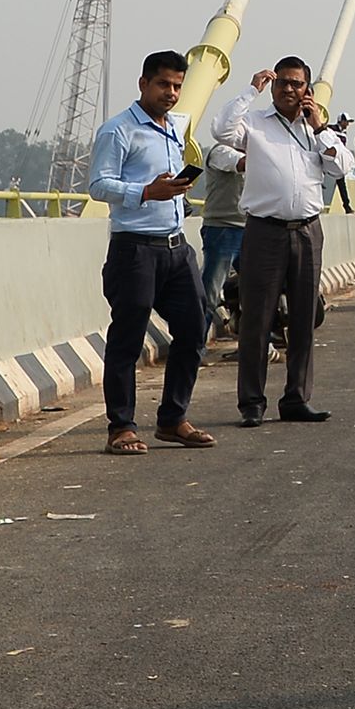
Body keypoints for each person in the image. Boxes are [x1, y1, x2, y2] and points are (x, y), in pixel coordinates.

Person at [85, 51, 216, 456]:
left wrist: (174, 189)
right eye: (163, 85)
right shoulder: (118, 131)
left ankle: (173, 419)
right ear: (143, 83)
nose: (172, 93)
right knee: (127, 338)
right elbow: (99, 185)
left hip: (177, 248)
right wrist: (145, 192)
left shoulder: (175, 127)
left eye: (178, 86)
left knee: (195, 329)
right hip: (135, 250)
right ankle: (121, 427)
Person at [207, 55, 346, 425]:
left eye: (296, 84)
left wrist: (320, 127)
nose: (288, 89)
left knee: (304, 318)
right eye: (282, 82)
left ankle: (297, 399)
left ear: (308, 91)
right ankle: (251, 403)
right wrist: (249, 90)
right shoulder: (254, 124)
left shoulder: (315, 132)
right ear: (273, 86)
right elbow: (221, 131)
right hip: (264, 231)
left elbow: (342, 165)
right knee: (257, 318)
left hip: (307, 230)